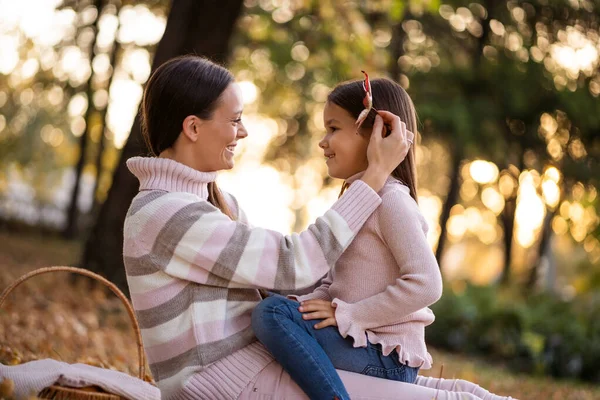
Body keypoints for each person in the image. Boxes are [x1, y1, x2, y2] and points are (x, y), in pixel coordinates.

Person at [122, 55, 412, 400]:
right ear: (193, 128)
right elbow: (295, 264)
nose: (243, 132)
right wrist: (375, 176)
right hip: (230, 384)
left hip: (257, 368)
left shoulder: (218, 203)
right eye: (235, 120)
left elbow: (287, 283)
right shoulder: (165, 213)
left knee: (456, 392)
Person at [251, 75, 515, 400]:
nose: (323, 141)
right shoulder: (357, 200)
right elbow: (333, 280)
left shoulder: (390, 200)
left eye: (333, 128)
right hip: (358, 341)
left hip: (381, 352)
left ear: (377, 132)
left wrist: (349, 314)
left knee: (272, 314)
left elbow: (427, 283)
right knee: (275, 307)